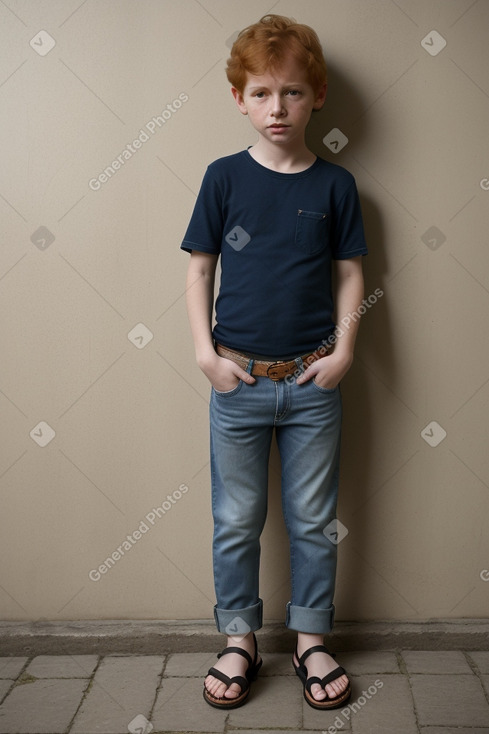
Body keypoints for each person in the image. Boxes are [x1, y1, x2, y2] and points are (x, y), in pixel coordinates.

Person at [181, 14, 367, 710]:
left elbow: (350, 274)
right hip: (236, 382)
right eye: (260, 93)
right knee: (235, 520)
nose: (276, 108)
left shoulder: (335, 186)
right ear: (239, 100)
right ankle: (239, 638)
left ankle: (311, 639)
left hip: (314, 381)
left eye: (290, 93)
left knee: (314, 521)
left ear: (316, 96)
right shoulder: (221, 177)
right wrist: (205, 355)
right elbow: (201, 271)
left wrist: (345, 349)